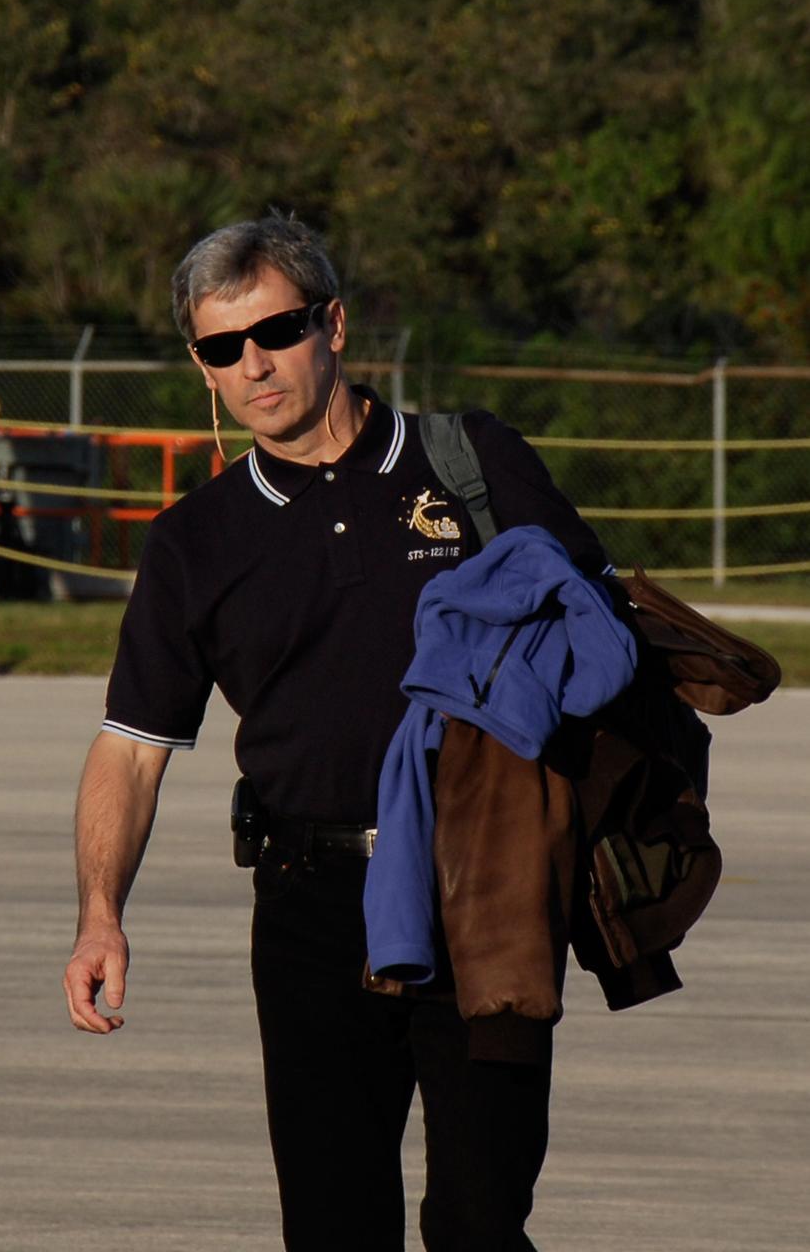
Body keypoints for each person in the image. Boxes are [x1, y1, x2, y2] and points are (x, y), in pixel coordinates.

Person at [62, 214, 611, 1251]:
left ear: (336, 323)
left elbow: (595, 629)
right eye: (222, 348)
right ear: (202, 365)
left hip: (482, 885)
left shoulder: (475, 464)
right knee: (331, 1225)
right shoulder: (195, 542)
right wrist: (100, 915)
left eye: (274, 330)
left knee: (482, 1220)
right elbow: (131, 746)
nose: (254, 364)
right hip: (311, 906)